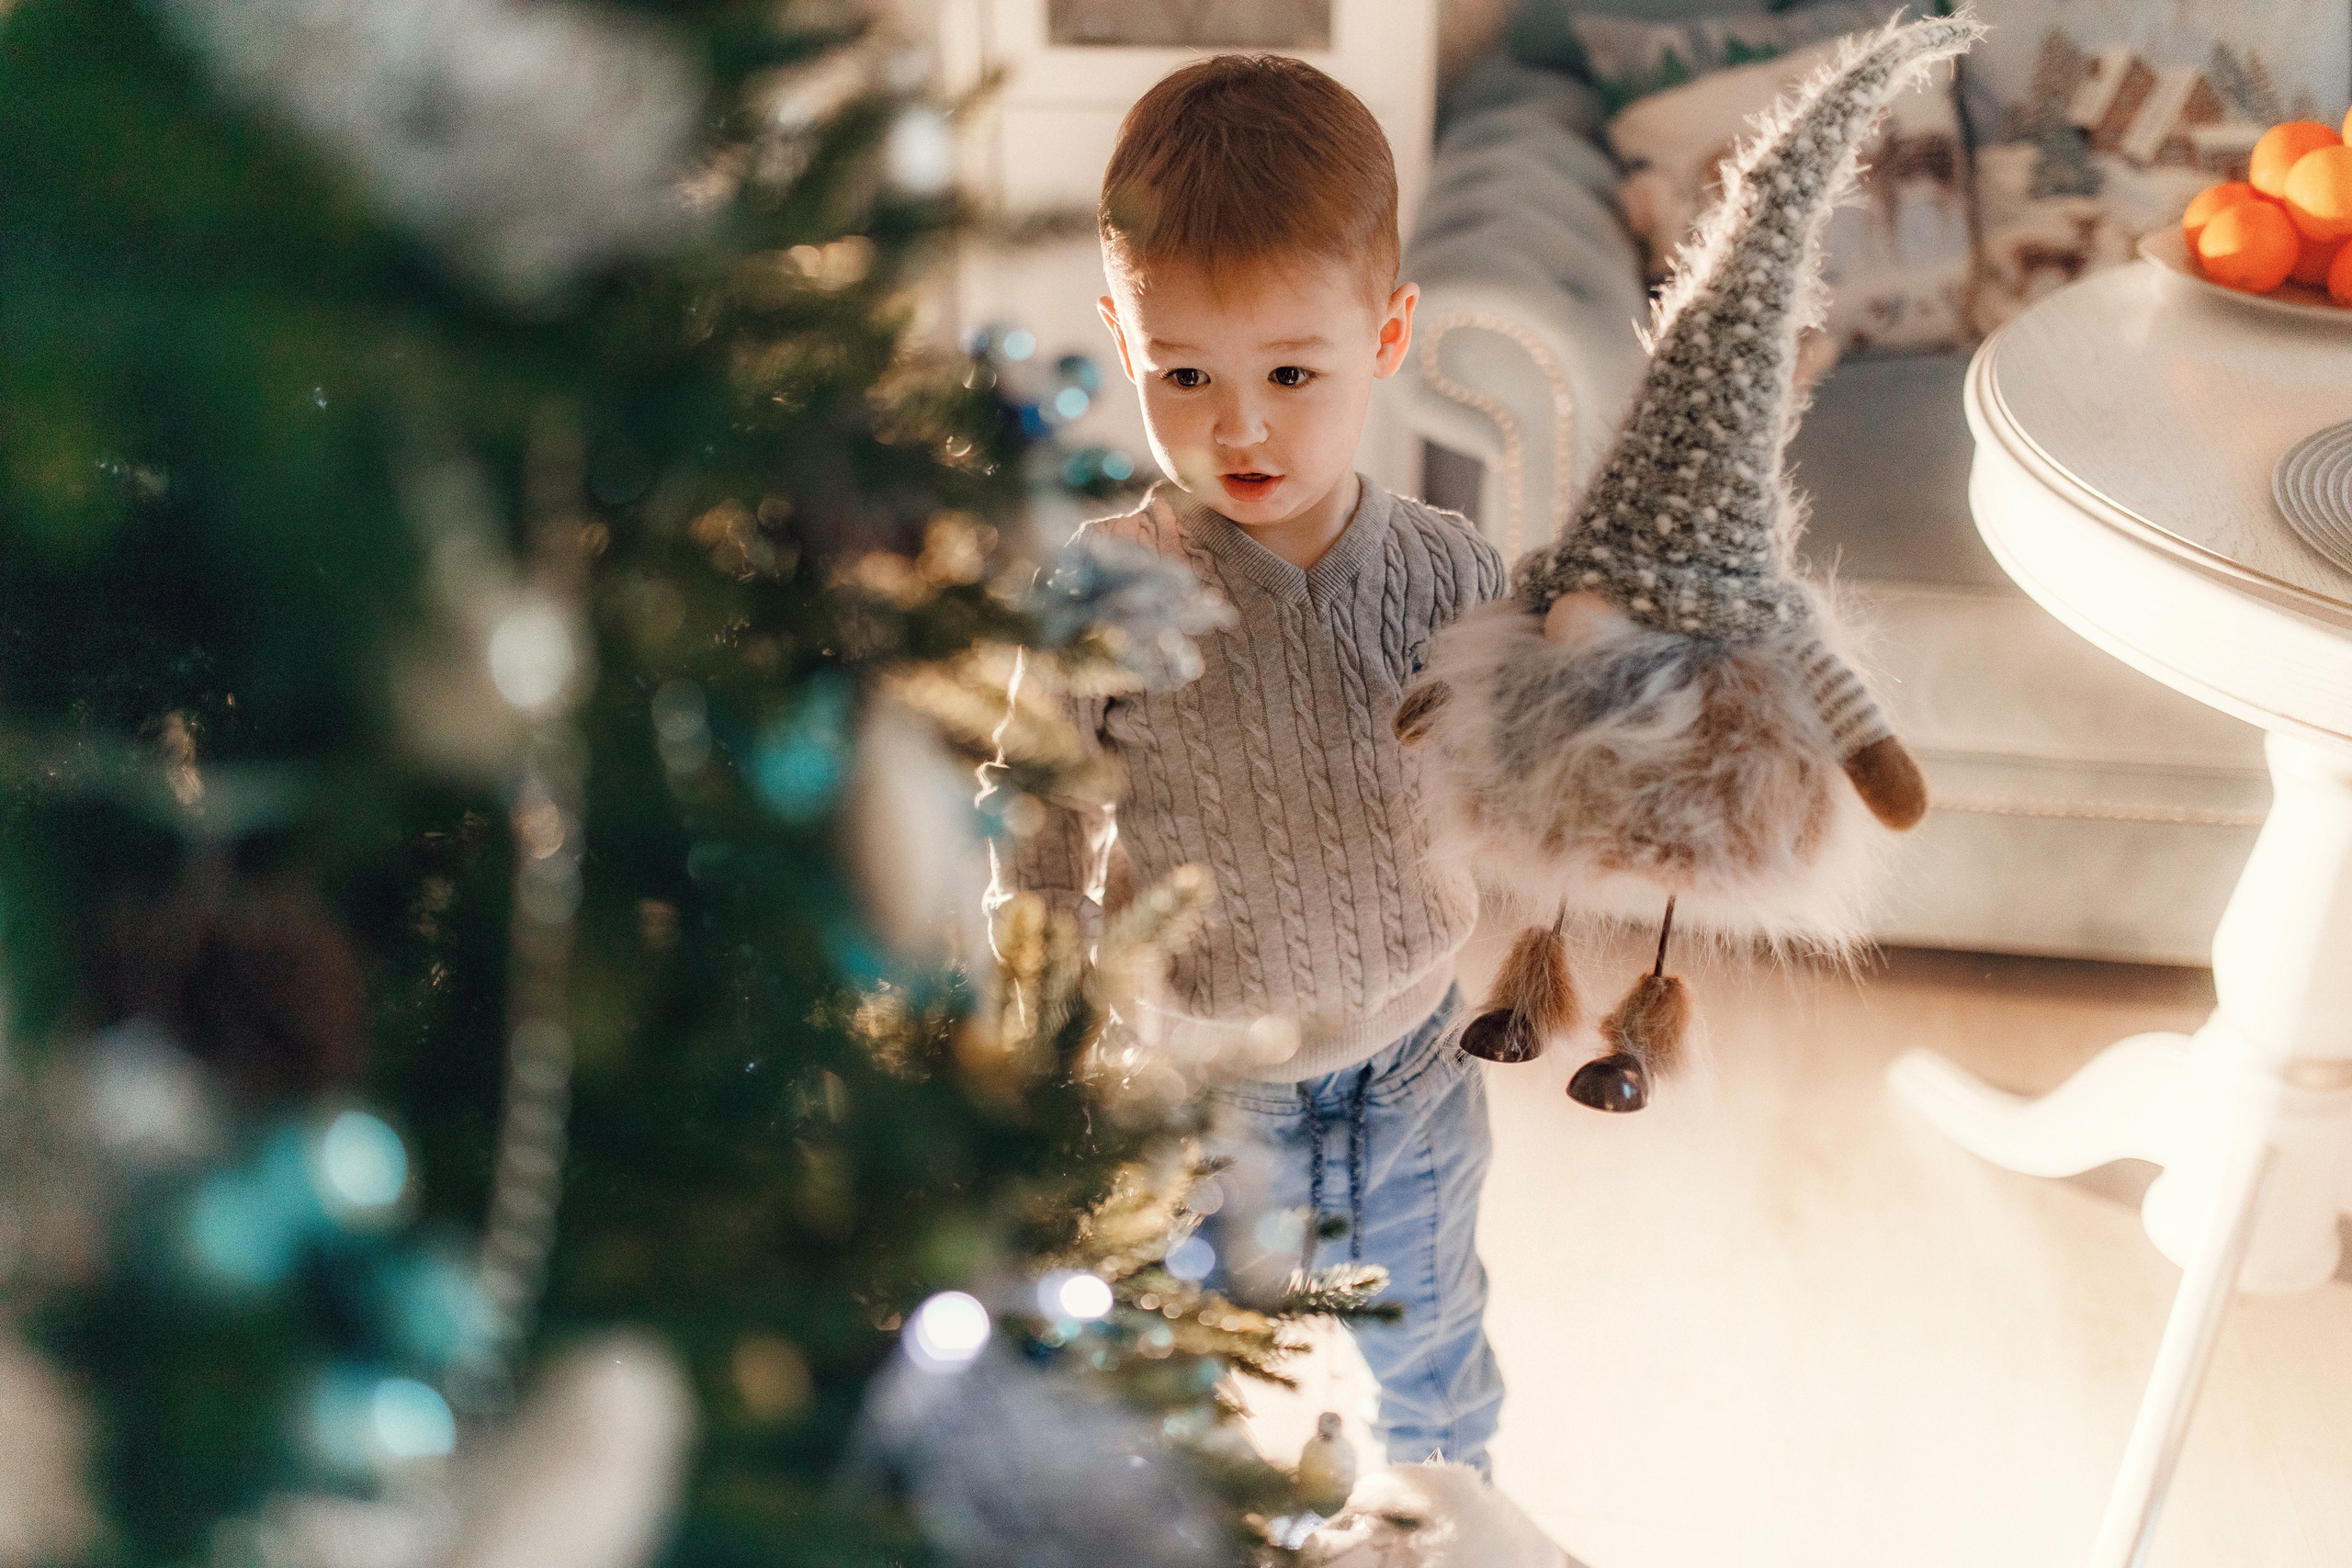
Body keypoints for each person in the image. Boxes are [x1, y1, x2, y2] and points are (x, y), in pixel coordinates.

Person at [994, 52, 1510, 1475]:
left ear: (1388, 332)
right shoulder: (1110, 596)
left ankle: (1445, 1537)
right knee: (1178, 1393)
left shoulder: (1455, 572)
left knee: (1439, 1366)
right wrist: (1036, 1010)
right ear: (1120, 336)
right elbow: (1033, 809)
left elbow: (1529, 764)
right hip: (1209, 1099)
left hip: (1416, 1071)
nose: (1242, 425)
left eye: (1294, 371)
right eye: (1185, 374)